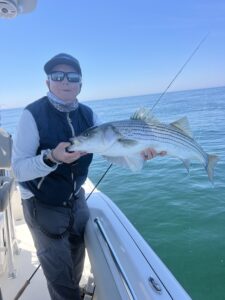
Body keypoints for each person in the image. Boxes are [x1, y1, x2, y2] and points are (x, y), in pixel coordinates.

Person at [12, 53, 165, 300]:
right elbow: (18, 169)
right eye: (57, 76)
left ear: (80, 84)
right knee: (59, 272)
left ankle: (75, 292)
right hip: (43, 204)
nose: (65, 81)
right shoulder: (32, 115)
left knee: (76, 256)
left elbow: (113, 153)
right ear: (47, 82)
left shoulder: (89, 115)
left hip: (76, 199)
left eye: (72, 77)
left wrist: (138, 154)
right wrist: (52, 158)